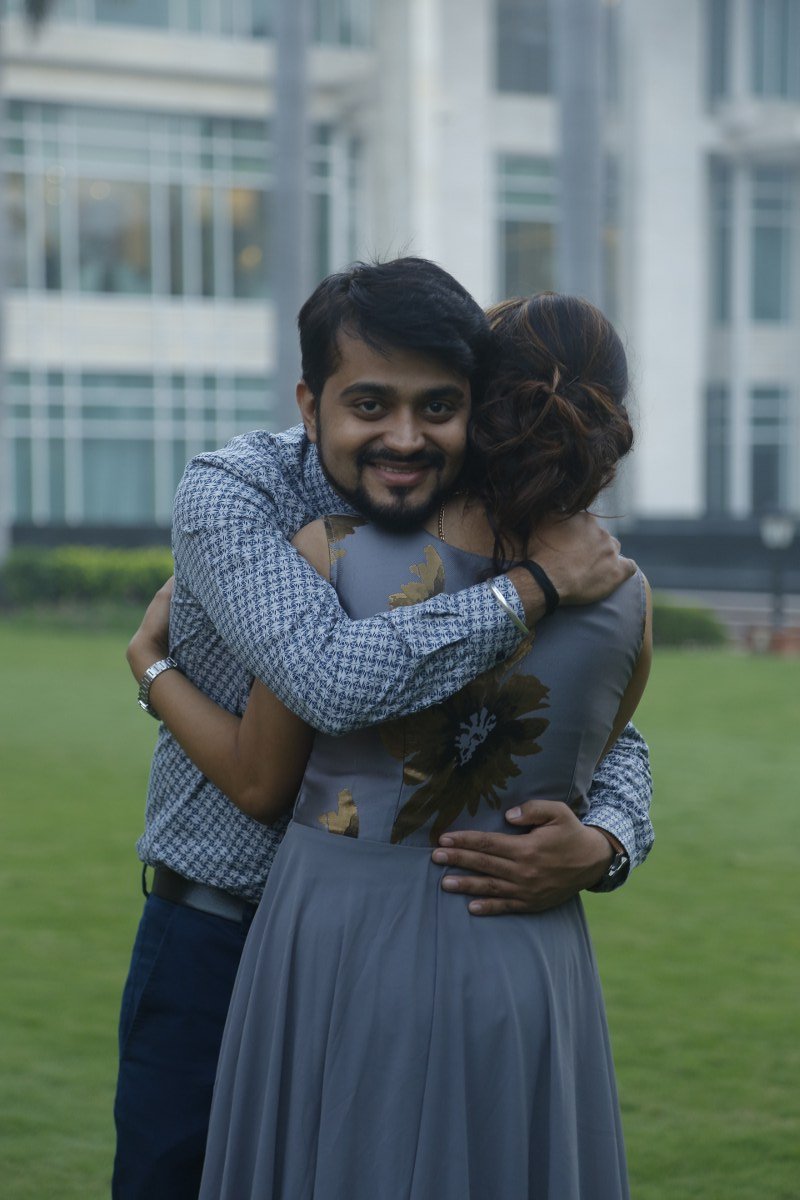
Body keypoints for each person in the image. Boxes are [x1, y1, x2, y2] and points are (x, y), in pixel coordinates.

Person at [115, 259, 652, 1199]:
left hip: (387, 934)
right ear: (310, 403)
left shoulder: (530, 542)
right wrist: (532, 590)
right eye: (369, 404)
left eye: (437, 406)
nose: (404, 438)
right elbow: (328, 680)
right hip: (220, 934)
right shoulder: (238, 495)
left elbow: (601, 736)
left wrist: (609, 839)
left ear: (479, 407)